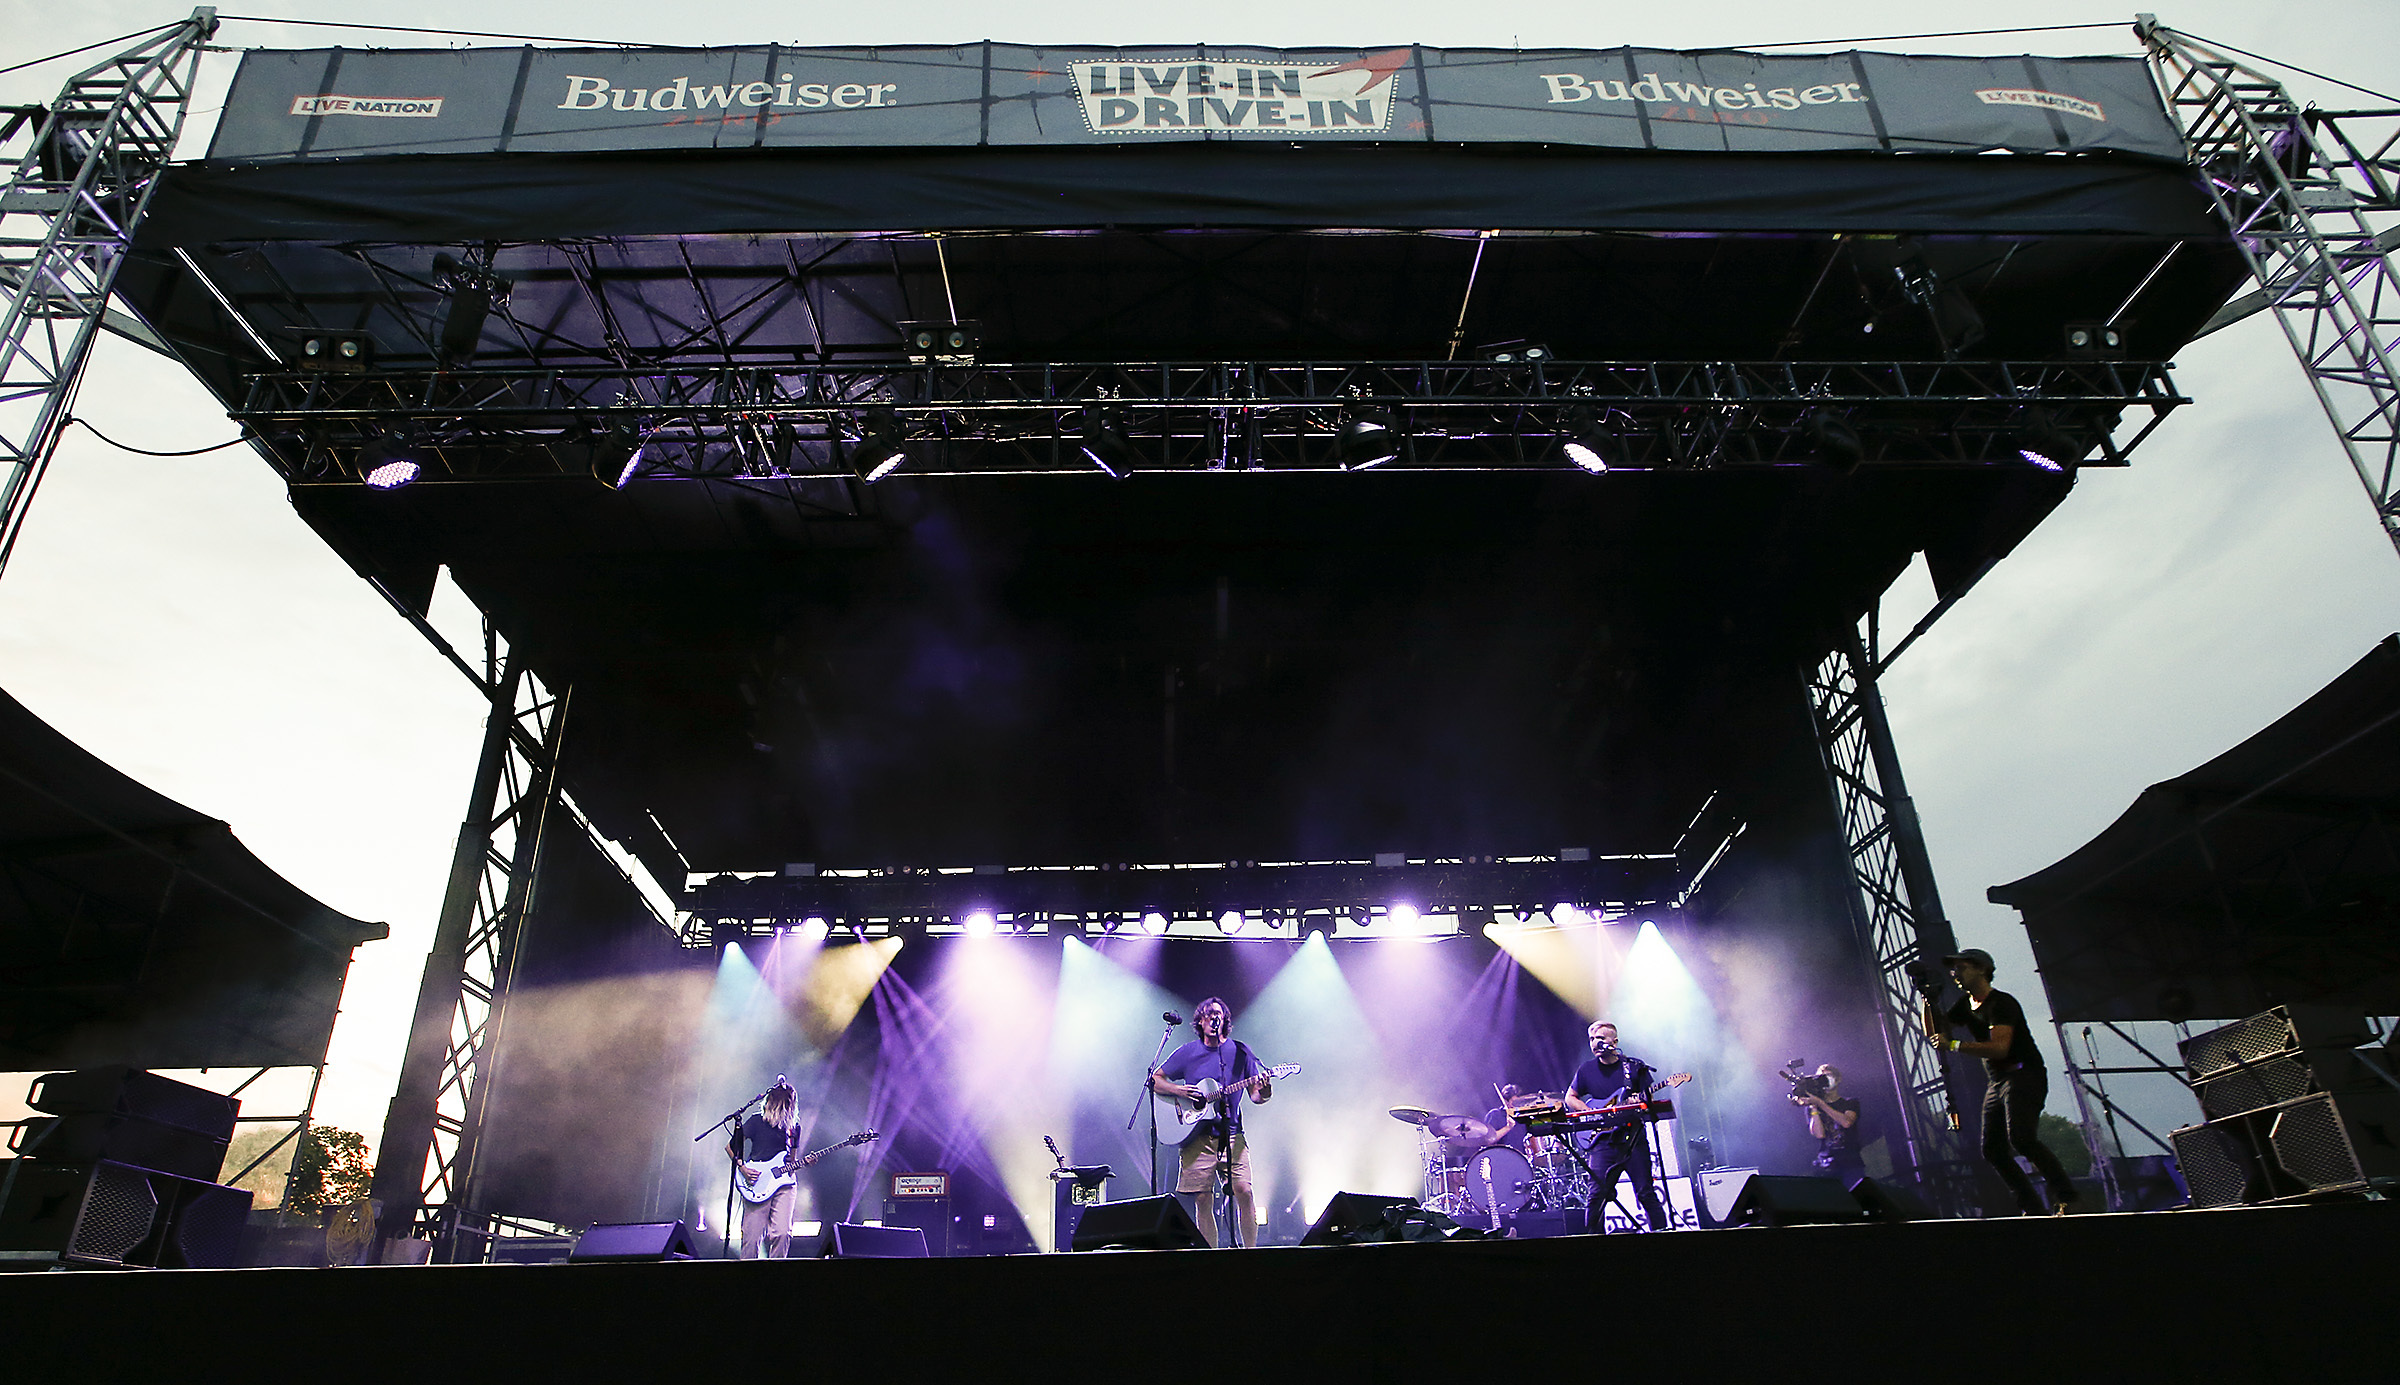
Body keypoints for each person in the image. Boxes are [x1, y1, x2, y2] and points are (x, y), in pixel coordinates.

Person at [1932, 948, 2081, 1216]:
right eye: (1953, 969)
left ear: (1981, 968)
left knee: (2021, 1138)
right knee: (1992, 1149)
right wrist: (1927, 1000)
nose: (1955, 974)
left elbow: (1999, 1048)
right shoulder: (1966, 1005)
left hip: (2024, 1074)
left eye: (1962, 968)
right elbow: (1937, 1030)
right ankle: (2032, 1206)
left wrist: (1954, 1045)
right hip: (1998, 1081)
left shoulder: (2001, 1003)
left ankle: (2067, 1196)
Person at [1149, 996, 1274, 1247]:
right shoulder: (1188, 1052)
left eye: (1217, 1014)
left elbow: (1256, 1096)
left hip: (1232, 1135)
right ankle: (1211, 1256)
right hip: (1196, 1136)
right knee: (1202, 1198)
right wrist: (1180, 1091)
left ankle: (1251, 1253)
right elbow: (1155, 1079)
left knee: (1245, 1191)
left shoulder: (1240, 1051)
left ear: (1225, 1020)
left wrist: (1266, 1089)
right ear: (1200, 1021)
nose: (1212, 1018)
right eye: (1207, 1014)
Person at [1565, 1022, 1676, 1232]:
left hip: (1632, 1138)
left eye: (1601, 1038)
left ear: (1614, 1041)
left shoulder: (1633, 1067)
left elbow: (1647, 1100)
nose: (1595, 1043)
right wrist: (1589, 1113)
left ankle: (1662, 1236)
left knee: (1645, 1192)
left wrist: (1641, 1103)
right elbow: (1570, 1097)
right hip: (1602, 1142)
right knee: (1596, 1196)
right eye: (1591, 1039)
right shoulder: (1586, 1069)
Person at [727, 1077, 803, 1258]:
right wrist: (742, 1168)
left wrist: (804, 1163)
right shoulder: (756, 1122)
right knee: (752, 1238)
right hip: (757, 1181)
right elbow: (731, 1147)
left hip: (785, 1185)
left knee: (782, 1233)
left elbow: (791, 1162)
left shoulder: (794, 1128)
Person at [1792, 1064, 1865, 1186]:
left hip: (1851, 1164)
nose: (1825, 1080)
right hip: (1826, 1165)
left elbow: (1846, 1122)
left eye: (1828, 1076)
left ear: (1838, 1078)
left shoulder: (1850, 1103)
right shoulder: (1814, 1106)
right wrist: (1814, 1105)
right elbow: (1819, 1134)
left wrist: (1820, 1103)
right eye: (1821, 1077)